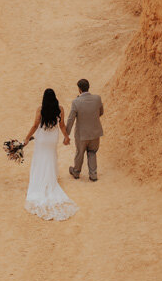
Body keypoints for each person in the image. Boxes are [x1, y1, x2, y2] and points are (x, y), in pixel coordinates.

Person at [21, 88, 79, 221]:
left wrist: (27, 138)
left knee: (40, 157)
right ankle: (50, 178)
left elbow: (36, 125)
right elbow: (62, 125)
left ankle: (40, 178)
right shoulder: (60, 109)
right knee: (51, 158)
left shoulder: (40, 109)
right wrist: (66, 137)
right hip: (52, 138)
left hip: (42, 138)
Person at [66, 78, 104, 182]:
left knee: (80, 152)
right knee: (92, 152)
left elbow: (71, 119)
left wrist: (66, 134)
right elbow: (101, 112)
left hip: (81, 134)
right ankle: (93, 175)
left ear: (79, 89)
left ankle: (76, 172)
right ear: (89, 87)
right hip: (95, 132)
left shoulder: (76, 102)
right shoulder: (97, 98)